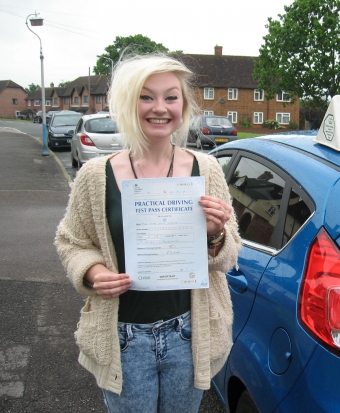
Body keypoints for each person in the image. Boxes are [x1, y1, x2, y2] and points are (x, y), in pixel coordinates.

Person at [55, 54, 241, 413]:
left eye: (171, 97)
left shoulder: (206, 168)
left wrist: (215, 234)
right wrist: (93, 273)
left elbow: (230, 253)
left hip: (189, 334)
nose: (160, 108)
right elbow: (71, 241)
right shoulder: (96, 176)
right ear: (128, 103)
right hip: (123, 337)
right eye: (146, 96)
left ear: (183, 104)